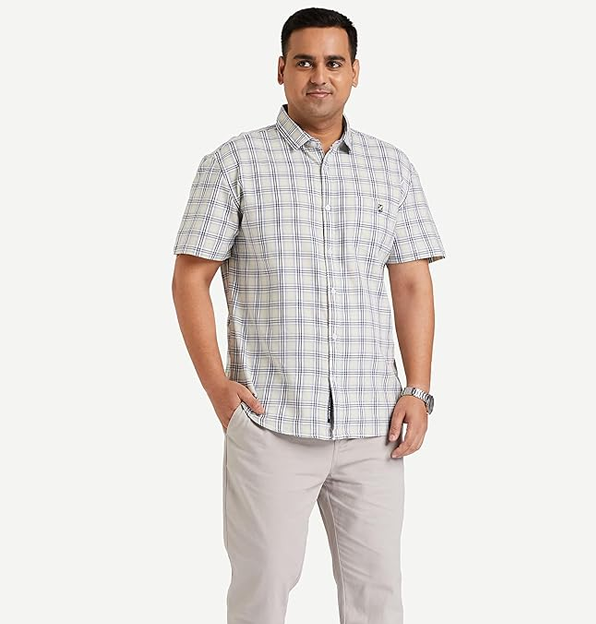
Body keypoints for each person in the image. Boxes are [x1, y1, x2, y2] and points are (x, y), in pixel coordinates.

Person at [171, 7, 446, 624]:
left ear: (355, 72)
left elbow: (410, 282)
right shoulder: (233, 163)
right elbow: (191, 277)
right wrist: (218, 390)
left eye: (333, 62)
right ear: (281, 70)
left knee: (378, 596)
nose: (319, 76)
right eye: (304, 62)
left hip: (374, 427)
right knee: (262, 593)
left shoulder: (391, 167)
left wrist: (419, 389)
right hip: (271, 423)